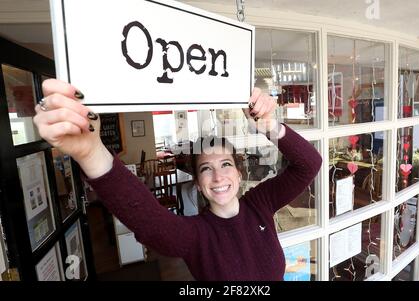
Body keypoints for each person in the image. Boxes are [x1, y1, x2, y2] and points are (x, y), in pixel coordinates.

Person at [33, 79, 322, 281]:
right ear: (198, 182)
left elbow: (310, 164)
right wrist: (91, 152)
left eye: (225, 165)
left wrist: (271, 126)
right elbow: (150, 222)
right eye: (206, 169)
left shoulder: (260, 203)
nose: (218, 176)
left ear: (238, 172)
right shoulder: (196, 235)